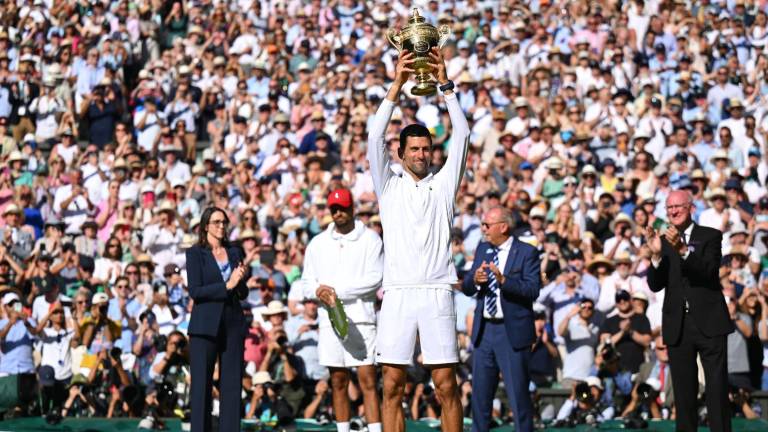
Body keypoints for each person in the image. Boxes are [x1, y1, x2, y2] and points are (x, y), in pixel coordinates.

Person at [367, 48, 469, 432]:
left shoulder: (444, 184)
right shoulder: (388, 185)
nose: (422, 154)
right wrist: (396, 84)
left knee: (446, 386)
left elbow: (463, 132)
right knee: (391, 385)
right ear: (401, 153)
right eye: (415, 149)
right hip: (397, 293)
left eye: (427, 148)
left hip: (437, 290)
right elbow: (375, 133)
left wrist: (445, 85)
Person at [645, 190, 733, 432]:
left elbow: (709, 272)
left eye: (678, 207)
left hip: (709, 323)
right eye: (669, 207)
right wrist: (654, 256)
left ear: (690, 208)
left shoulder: (710, 236)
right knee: (684, 396)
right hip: (678, 325)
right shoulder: (662, 241)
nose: (673, 211)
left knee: (716, 392)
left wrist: (683, 251)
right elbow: (655, 284)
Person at [300, 188, 383, 432]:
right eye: (334, 209)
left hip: (362, 318)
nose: (338, 213)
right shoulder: (317, 243)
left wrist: (336, 292)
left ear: (352, 208)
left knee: (368, 379)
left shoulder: (370, 239)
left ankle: (375, 430)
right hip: (329, 321)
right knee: (337, 380)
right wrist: (318, 291)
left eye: (342, 208)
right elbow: (306, 283)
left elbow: (375, 278)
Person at [461, 206, 541, 432]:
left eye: (487, 225)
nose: (484, 229)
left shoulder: (527, 252)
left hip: (511, 332)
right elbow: (467, 286)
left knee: (518, 396)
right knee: (480, 396)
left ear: (503, 227)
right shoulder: (483, 248)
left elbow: (533, 289)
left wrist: (504, 280)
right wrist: (474, 280)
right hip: (484, 330)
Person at [186, 207, 252, 432]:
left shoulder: (234, 251)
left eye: (224, 222)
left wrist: (240, 280)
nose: (221, 226)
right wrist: (227, 285)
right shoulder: (195, 253)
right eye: (216, 222)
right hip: (205, 325)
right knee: (201, 387)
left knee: (232, 386)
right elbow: (196, 291)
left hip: (233, 322)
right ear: (205, 226)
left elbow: (242, 293)